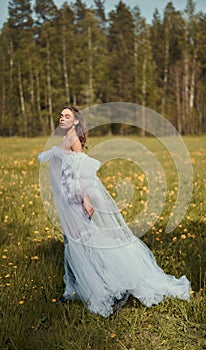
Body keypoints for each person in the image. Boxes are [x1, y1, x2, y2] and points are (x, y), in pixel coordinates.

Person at [38, 106, 190, 317]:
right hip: (67, 201)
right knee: (70, 242)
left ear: (75, 121)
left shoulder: (74, 140)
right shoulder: (67, 137)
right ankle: (72, 288)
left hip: (76, 200)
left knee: (85, 243)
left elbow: (82, 174)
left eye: (67, 116)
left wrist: (86, 199)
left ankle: (112, 287)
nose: (61, 118)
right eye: (61, 115)